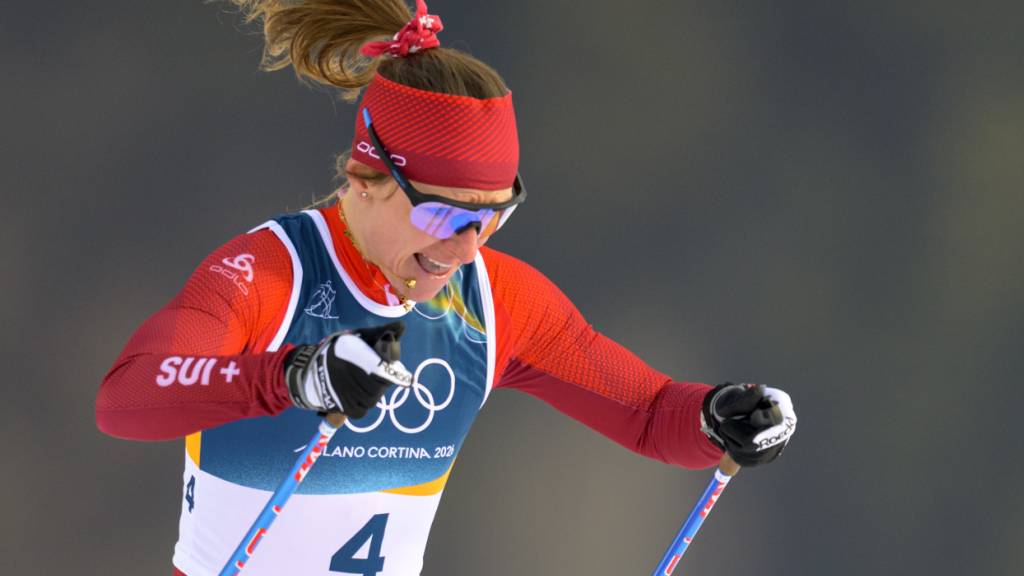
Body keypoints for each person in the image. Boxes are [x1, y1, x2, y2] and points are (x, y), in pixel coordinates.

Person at [95, 1, 797, 575]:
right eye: (440, 214)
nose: (464, 248)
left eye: (491, 217)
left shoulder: (498, 303)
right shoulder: (270, 273)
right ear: (364, 181)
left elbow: (646, 412)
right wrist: (293, 377)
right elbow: (126, 397)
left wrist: (719, 418)